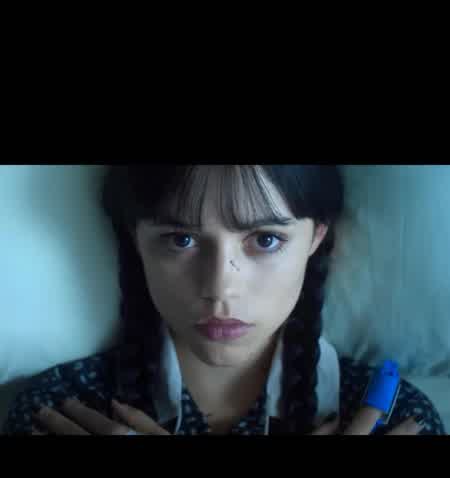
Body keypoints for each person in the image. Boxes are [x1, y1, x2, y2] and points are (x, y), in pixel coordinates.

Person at [2, 165, 446, 435]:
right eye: (181, 239)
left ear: (315, 237)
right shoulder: (63, 411)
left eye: (266, 239)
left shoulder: (391, 418)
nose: (219, 288)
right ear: (136, 240)